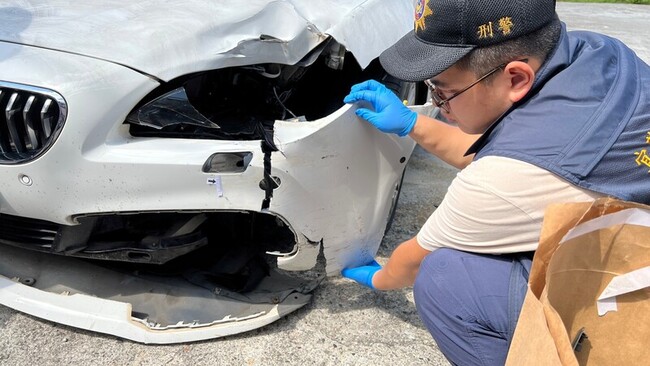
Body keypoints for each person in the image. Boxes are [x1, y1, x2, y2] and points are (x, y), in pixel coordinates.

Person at [341, 0, 650, 364]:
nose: (440, 107)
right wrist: (413, 124)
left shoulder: (501, 183)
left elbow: (414, 260)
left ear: (516, 78)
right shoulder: (598, 52)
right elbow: (515, 160)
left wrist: (379, 278)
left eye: (443, 91)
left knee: (444, 281)